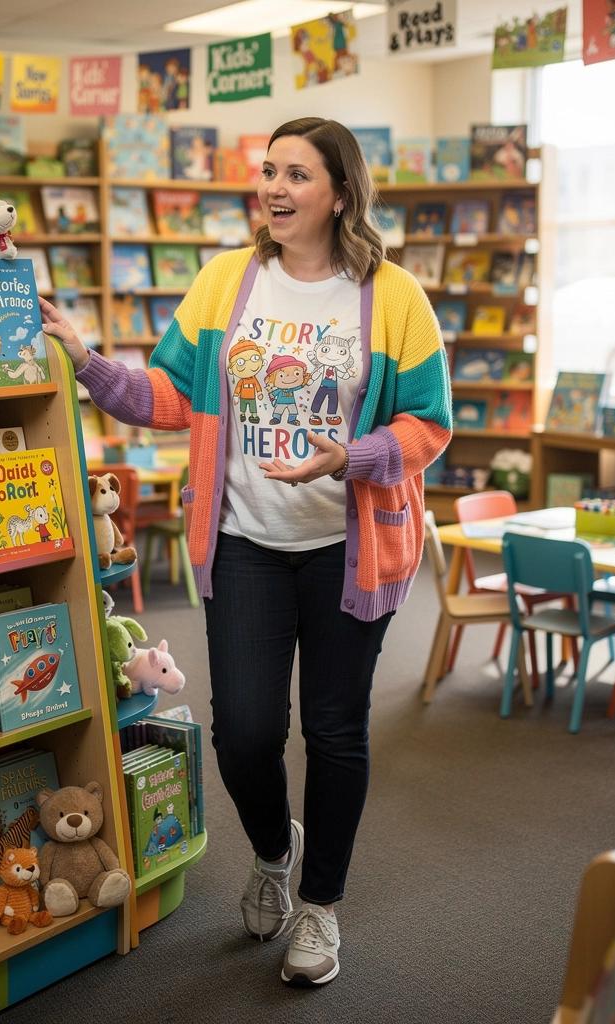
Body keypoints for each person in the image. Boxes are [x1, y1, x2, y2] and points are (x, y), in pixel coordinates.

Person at [40, 116, 451, 988]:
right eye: (268, 171)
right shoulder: (228, 281)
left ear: (340, 192)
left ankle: (322, 909)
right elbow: (169, 394)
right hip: (244, 543)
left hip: (350, 547)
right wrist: (85, 361)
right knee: (244, 734)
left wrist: (352, 455)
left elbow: (428, 422)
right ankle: (274, 853)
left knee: (334, 734)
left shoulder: (394, 295)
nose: (274, 188)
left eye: (296, 175)